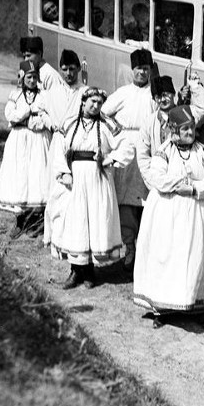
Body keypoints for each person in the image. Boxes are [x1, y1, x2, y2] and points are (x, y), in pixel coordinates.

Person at [133, 104, 204, 326]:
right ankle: (163, 308)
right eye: (185, 130)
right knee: (168, 255)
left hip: (196, 214)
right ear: (174, 131)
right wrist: (180, 182)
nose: (190, 133)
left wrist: (193, 188)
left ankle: (193, 305)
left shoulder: (203, 152)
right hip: (168, 213)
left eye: (191, 128)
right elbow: (157, 179)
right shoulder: (164, 151)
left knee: (194, 257)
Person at [50, 87, 134, 289]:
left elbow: (127, 146)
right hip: (75, 179)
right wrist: (64, 173)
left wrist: (108, 159)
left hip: (98, 178)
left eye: (99, 103)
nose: (96, 106)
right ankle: (75, 271)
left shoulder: (107, 124)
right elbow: (58, 150)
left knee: (95, 222)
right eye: (92, 102)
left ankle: (90, 272)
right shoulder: (69, 124)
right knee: (76, 223)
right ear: (83, 102)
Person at [101, 49, 158, 270]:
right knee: (125, 199)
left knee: (145, 198)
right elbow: (103, 113)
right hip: (126, 147)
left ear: (150, 70)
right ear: (132, 70)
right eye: (138, 69)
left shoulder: (154, 94)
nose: (142, 73)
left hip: (147, 148)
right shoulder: (123, 93)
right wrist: (117, 132)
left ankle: (144, 249)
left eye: (145, 69)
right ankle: (129, 246)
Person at [0, 60, 51, 238]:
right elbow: (10, 115)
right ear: (22, 77)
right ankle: (20, 221)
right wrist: (26, 113)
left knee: (38, 175)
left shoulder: (44, 96)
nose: (32, 80)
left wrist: (36, 121)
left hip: (38, 140)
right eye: (29, 77)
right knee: (20, 176)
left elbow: (48, 116)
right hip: (19, 140)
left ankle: (40, 222)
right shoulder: (16, 95)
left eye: (35, 77)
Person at [41, 49, 87, 248]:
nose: (69, 73)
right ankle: (51, 234)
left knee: (73, 189)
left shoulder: (85, 91)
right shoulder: (52, 92)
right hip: (58, 141)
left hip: (77, 144)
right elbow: (40, 111)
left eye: (72, 69)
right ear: (60, 69)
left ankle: (71, 235)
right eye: (65, 69)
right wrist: (51, 123)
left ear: (78, 69)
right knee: (55, 188)